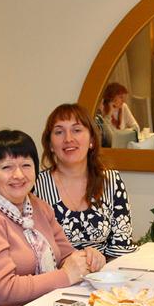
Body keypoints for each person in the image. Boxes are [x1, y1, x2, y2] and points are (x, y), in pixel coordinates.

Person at [0, 129, 94, 306]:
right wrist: (65, 276)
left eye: (26, 165)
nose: (19, 175)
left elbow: (66, 256)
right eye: (7, 167)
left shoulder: (37, 205)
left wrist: (87, 258)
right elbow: (3, 290)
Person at [34, 103, 137, 259]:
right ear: (50, 145)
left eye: (76, 130)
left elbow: (122, 247)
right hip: (56, 272)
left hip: (104, 271)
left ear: (92, 140)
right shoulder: (36, 186)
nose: (68, 139)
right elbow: (33, 250)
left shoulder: (111, 181)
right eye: (59, 132)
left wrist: (99, 263)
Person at [96, 81, 140, 145]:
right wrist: (109, 114)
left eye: (124, 97)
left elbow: (136, 127)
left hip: (123, 144)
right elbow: (111, 139)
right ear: (112, 97)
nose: (123, 100)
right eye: (121, 97)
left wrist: (124, 133)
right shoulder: (102, 110)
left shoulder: (123, 107)